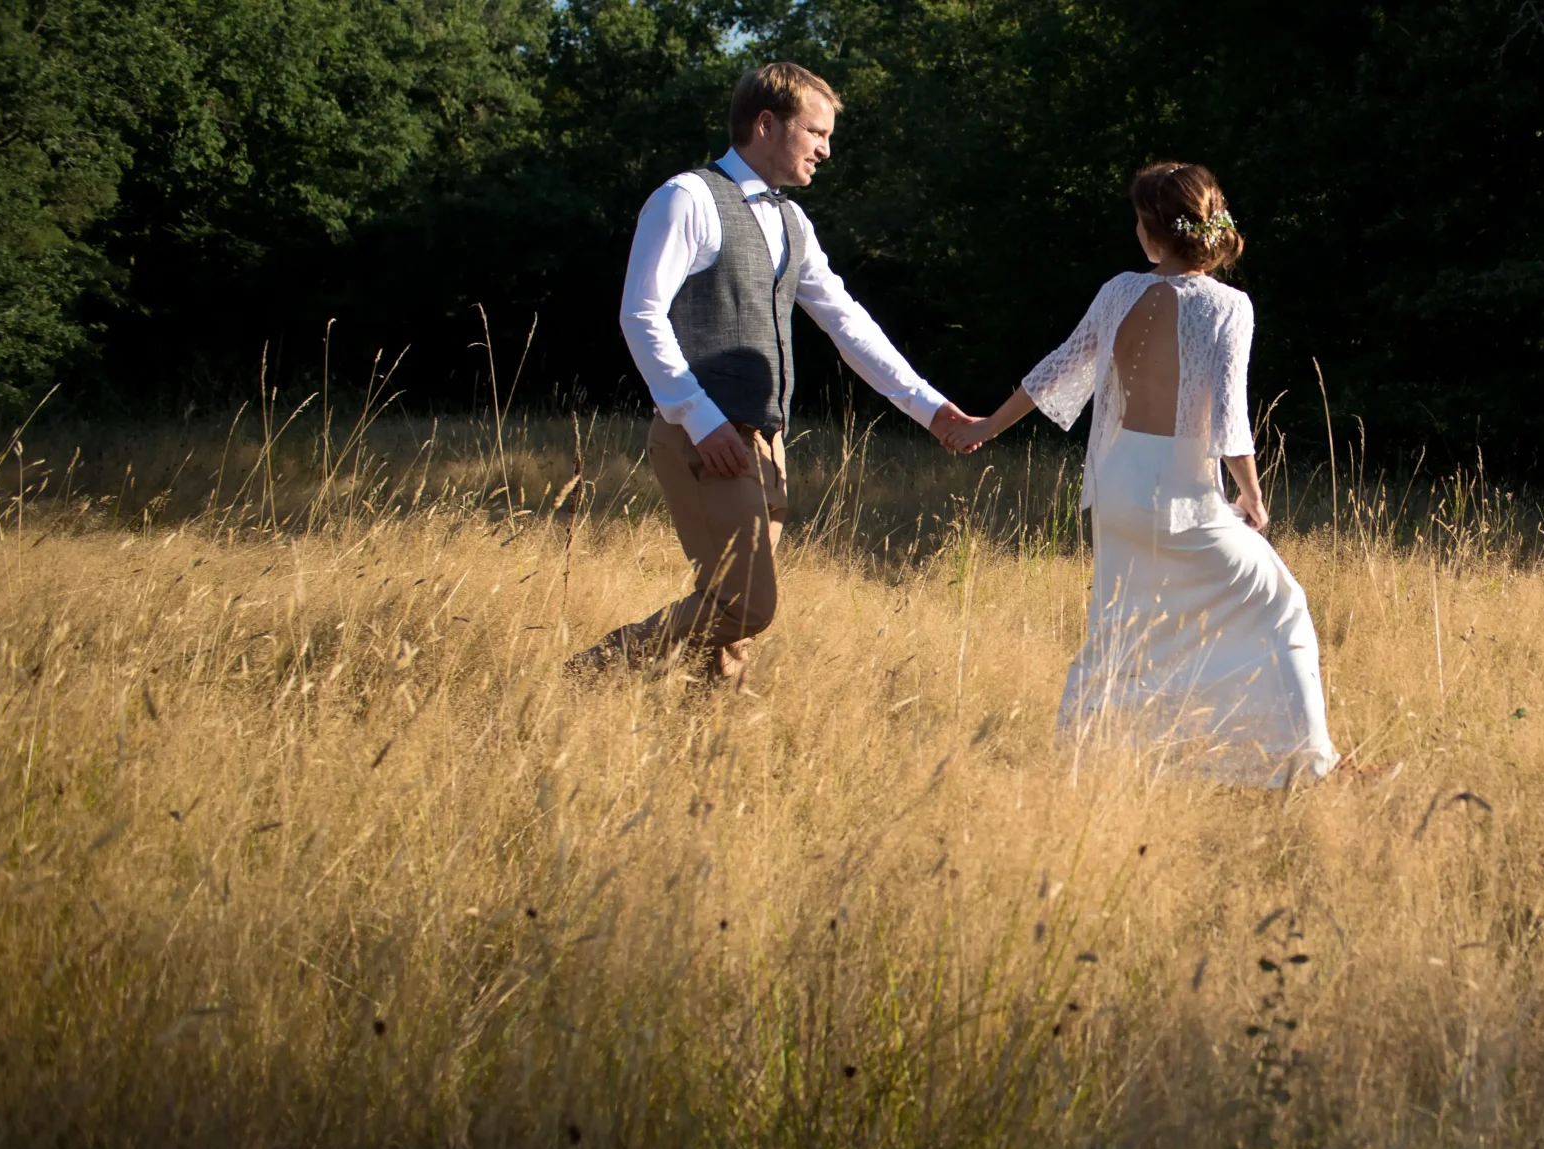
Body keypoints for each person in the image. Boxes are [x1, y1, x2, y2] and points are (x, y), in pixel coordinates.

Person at [569, 62, 980, 687]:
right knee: (747, 606)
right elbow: (640, 314)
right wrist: (701, 419)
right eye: (816, 132)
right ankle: (591, 672)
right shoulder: (687, 198)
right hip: (704, 438)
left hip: (766, 443)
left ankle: (709, 743)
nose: (827, 149)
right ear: (766, 124)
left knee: (729, 619)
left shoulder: (792, 221)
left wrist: (931, 409)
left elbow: (847, 323)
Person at [945, 162, 1351, 787]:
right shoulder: (1229, 306)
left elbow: (1057, 368)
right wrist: (1253, 497)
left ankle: (1084, 761)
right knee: (1280, 604)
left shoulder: (1117, 292)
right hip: (1180, 491)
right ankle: (1309, 767)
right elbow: (1229, 412)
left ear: (1154, 231)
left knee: (1121, 626)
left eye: (1138, 218)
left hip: (1117, 483)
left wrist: (985, 426)